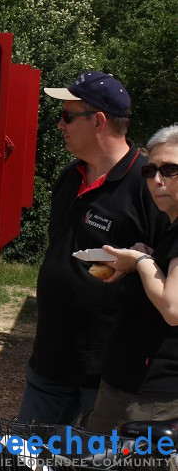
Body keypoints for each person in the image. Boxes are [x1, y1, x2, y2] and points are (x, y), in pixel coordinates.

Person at [19, 72, 169, 426]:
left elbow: (167, 276)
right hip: (51, 360)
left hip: (109, 373)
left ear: (99, 121)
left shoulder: (147, 186)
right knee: (20, 460)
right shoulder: (71, 176)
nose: (59, 124)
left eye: (68, 116)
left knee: (95, 462)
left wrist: (141, 262)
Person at [87, 125, 178, 432]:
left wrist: (140, 261)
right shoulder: (171, 226)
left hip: (147, 393)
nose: (156, 180)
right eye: (150, 170)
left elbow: (172, 308)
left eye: (169, 170)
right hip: (136, 382)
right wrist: (148, 258)